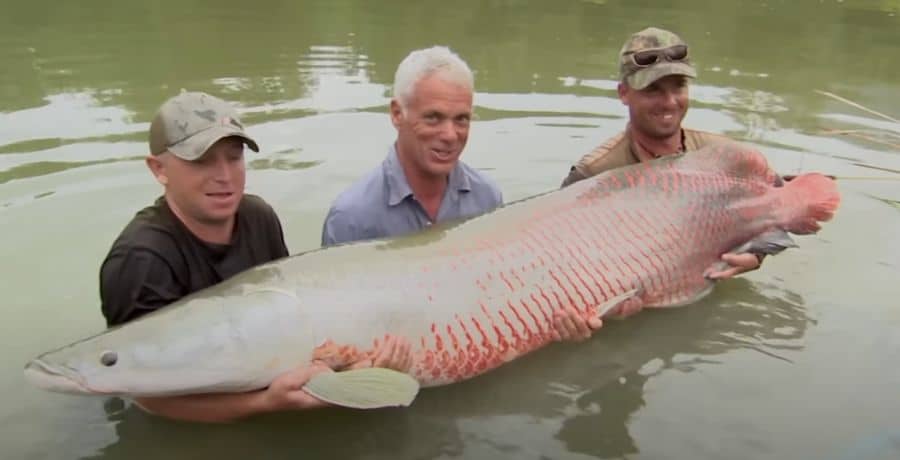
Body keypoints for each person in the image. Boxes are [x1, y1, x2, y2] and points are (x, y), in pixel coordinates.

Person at [99, 91, 411, 423]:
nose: (224, 176)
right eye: (202, 160)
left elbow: (294, 320)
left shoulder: (257, 216)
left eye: (234, 157)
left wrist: (350, 365)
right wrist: (263, 404)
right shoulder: (140, 260)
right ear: (158, 168)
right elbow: (147, 396)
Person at [321, 46, 609, 344]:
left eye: (462, 119)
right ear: (397, 114)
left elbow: (501, 294)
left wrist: (559, 315)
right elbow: (336, 330)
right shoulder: (352, 216)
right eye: (433, 118)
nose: (450, 134)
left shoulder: (486, 197)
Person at [559, 27, 763, 282]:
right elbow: (560, 259)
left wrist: (758, 253)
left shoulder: (722, 156)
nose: (669, 102)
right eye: (653, 89)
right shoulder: (592, 175)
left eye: (678, 87)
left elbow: (779, 208)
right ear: (624, 93)